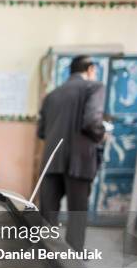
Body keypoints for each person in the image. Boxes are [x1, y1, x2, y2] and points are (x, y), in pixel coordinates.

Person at [37, 55, 106, 251]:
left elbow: (41, 132)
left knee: (47, 216)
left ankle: (45, 256)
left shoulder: (52, 95)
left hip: (52, 160)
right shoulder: (94, 87)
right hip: (80, 161)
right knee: (77, 215)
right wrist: (102, 134)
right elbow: (92, 121)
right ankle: (74, 263)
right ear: (90, 69)